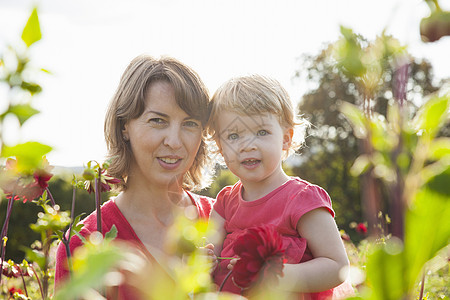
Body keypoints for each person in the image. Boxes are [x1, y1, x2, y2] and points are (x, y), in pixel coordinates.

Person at [55, 55, 215, 299]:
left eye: (190, 123)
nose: (174, 141)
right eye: (157, 121)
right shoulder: (82, 243)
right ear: (124, 127)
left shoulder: (225, 219)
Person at [208, 74, 354, 299]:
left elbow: (337, 266)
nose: (248, 145)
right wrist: (203, 260)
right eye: (234, 135)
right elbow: (210, 252)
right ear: (220, 147)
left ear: (286, 139)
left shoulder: (302, 199)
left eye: (262, 132)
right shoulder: (225, 202)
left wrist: (279, 276)